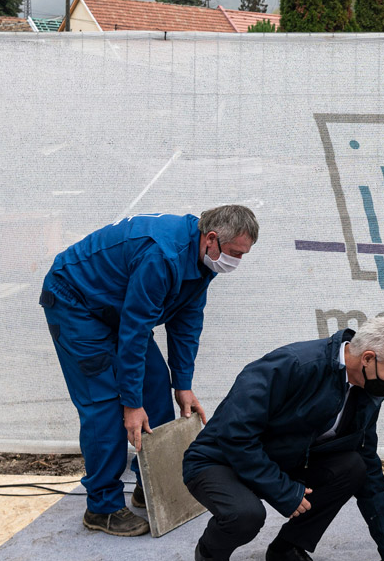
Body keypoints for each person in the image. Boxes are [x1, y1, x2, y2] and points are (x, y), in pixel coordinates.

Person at [40, 205, 257, 537]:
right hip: (76, 303)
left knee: (156, 387)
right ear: (211, 238)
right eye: (234, 253)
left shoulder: (202, 259)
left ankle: (150, 484)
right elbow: (136, 329)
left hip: (115, 305)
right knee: (103, 405)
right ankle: (102, 507)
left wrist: (182, 384)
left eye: (243, 255)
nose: (237, 262)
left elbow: (187, 321)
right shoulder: (162, 255)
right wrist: (130, 404)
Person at [182, 315, 384, 561]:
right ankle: (210, 555)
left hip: (284, 460)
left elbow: (368, 467)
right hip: (218, 460)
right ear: (367, 358)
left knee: (353, 467)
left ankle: (287, 550)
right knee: (245, 515)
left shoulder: (368, 390)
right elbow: (235, 436)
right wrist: (282, 490)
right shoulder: (293, 364)